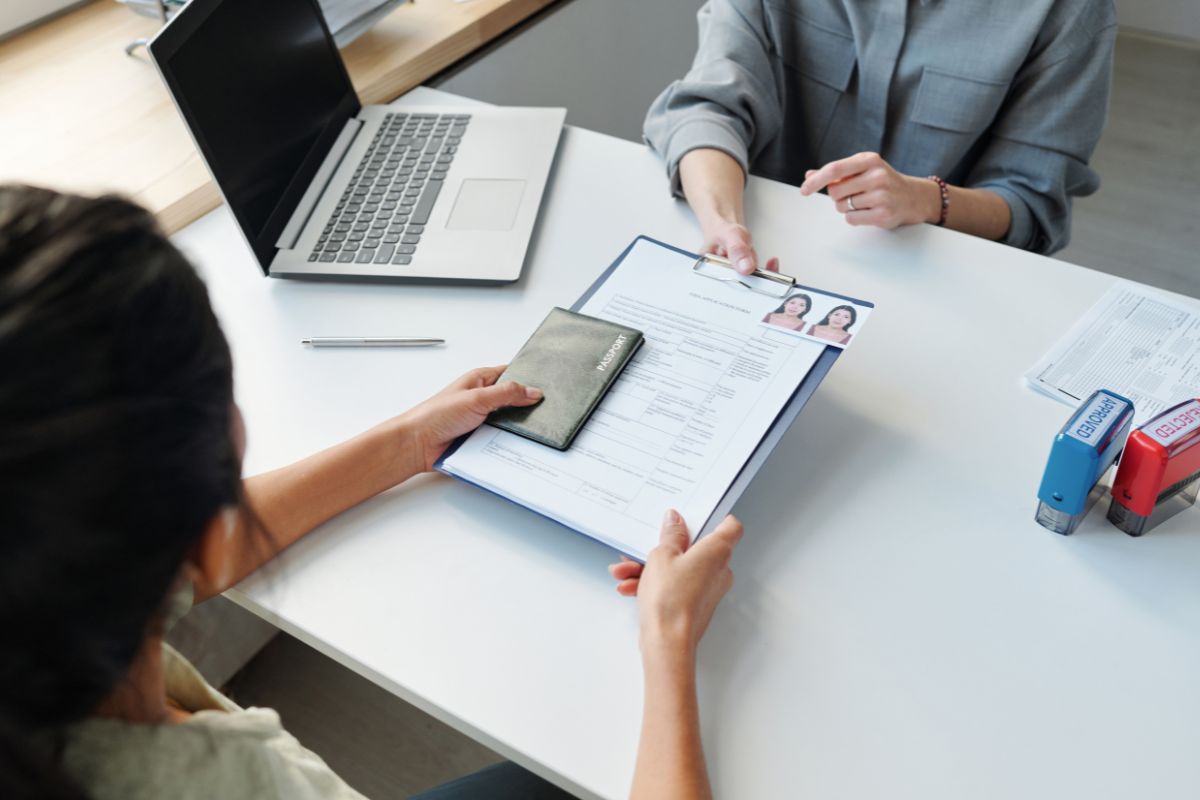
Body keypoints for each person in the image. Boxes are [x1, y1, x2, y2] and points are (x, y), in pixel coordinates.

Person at [0, 185, 743, 800]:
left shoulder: (45, 595)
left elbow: (195, 559)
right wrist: (669, 640)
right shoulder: (231, 783)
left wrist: (409, 441)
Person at [644, 0, 1118, 274]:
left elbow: (1033, 205)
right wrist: (723, 223)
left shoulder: (1069, 11)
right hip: (766, 251)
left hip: (939, 278)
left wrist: (928, 200)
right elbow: (708, 108)